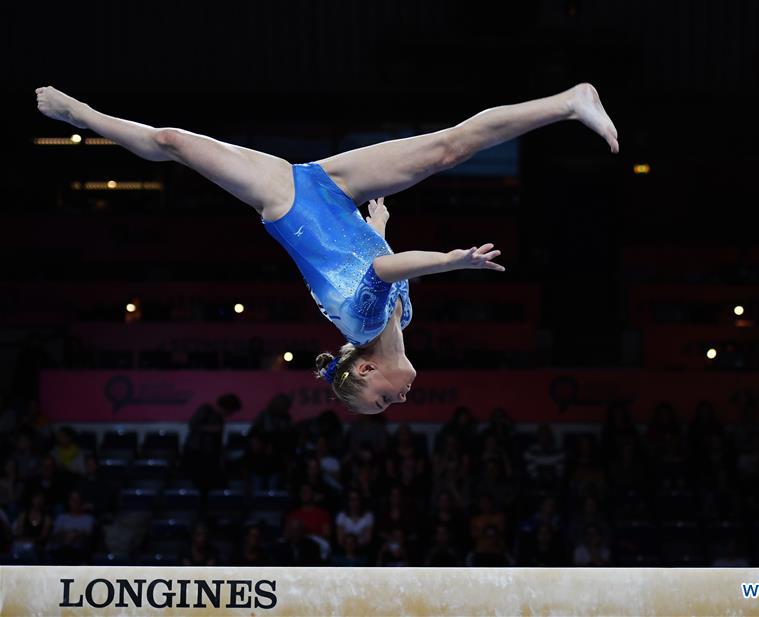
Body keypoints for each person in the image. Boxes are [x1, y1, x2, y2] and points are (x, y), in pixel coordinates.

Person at [36, 83, 618, 414]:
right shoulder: (400, 318)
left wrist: (452, 260)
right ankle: (570, 101)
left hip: (286, 197)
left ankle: (84, 115)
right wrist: (380, 222)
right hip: (338, 193)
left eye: (383, 401)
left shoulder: (360, 321)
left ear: (366, 369)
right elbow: (373, 259)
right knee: (446, 150)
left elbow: (384, 269)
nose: (400, 401)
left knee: (172, 143)